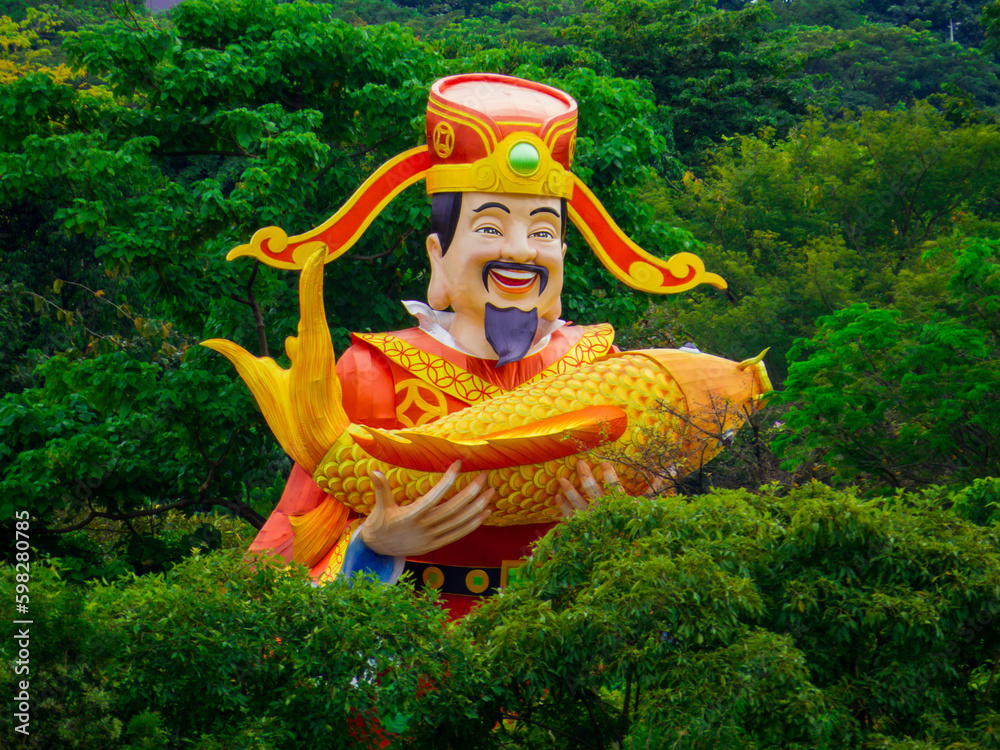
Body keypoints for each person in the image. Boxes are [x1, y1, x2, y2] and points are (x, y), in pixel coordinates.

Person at [224, 74, 726, 618]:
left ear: (562, 255)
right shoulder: (373, 374)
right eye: (490, 228)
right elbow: (290, 543)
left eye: (542, 232)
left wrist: (621, 526)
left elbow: (666, 557)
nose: (521, 252)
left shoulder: (605, 371)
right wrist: (372, 546)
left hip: (556, 639)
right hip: (410, 642)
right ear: (437, 256)